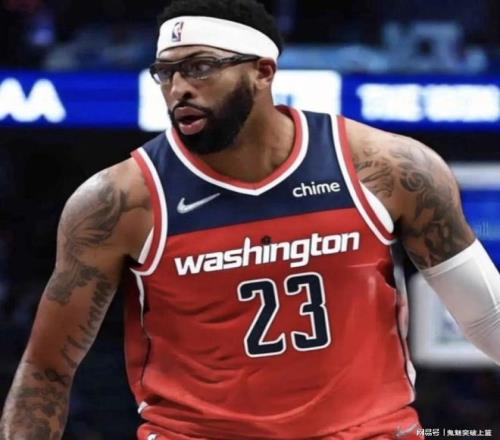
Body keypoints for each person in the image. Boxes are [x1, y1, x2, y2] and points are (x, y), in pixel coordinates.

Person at [2, 0, 500, 439]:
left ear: (263, 71)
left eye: (200, 67)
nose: (178, 89)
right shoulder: (118, 201)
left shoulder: (388, 168)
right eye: (165, 73)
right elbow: (46, 370)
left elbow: (488, 318)